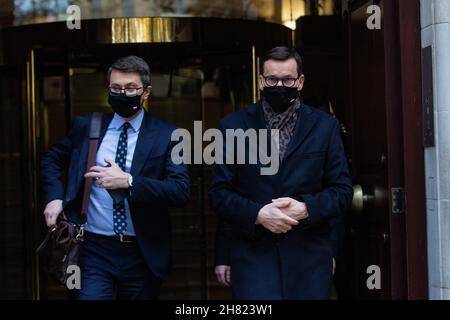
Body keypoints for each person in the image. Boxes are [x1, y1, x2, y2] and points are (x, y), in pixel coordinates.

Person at [40, 55, 190, 300]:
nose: (123, 93)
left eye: (131, 88)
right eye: (116, 88)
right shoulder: (88, 127)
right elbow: (51, 159)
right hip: (93, 249)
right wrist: (55, 198)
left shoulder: (168, 134)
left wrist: (129, 182)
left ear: (146, 92)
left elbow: (180, 191)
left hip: (142, 251)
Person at [208, 46, 353, 299]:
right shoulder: (232, 126)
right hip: (253, 257)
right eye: (272, 79)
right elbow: (219, 194)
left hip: (309, 257)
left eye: (287, 79)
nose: (280, 85)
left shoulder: (325, 127)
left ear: (300, 81)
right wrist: (258, 214)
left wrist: (306, 208)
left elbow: (341, 191)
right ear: (261, 81)